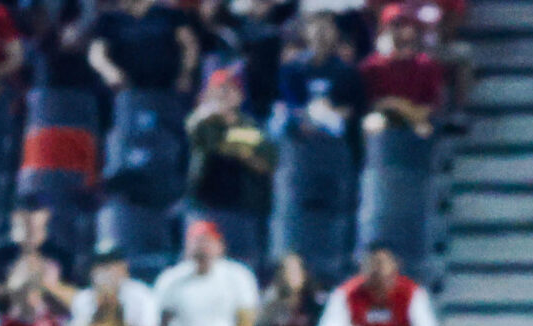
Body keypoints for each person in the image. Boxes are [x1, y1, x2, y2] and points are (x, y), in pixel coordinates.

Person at [186, 64, 277, 253]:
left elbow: (268, 162)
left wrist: (244, 155)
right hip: (207, 206)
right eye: (218, 91)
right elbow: (193, 134)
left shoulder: (251, 126)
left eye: (229, 90)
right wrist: (205, 116)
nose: (223, 95)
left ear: (239, 95)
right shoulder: (202, 123)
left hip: (244, 206)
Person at [275, 11, 364, 137]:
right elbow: (287, 102)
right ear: (306, 32)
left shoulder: (346, 71)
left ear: (335, 33)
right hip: (298, 127)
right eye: (315, 27)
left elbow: (354, 107)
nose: (320, 33)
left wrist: (331, 112)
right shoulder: (292, 69)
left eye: (326, 27)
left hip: (334, 131)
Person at [358, 12, 443, 137]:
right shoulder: (372, 66)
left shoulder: (426, 65)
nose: (400, 31)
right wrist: (394, 105)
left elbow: (431, 104)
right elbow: (370, 103)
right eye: (395, 26)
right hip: (384, 115)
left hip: (417, 117)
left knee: (424, 131)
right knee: (372, 124)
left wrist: (404, 108)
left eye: (405, 26)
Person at [89, 0, 198, 94]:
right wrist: (110, 73)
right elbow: (97, 54)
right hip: (126, 91)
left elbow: (190, 46)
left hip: (168, 89)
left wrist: (185, 74)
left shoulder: (170, 14)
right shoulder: (109, 19)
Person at [0, 203, 80, 314]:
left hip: (52, 324)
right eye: (26, 210)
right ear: (16, 216)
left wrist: (48, 285)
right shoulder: (2, 255)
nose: (30, 217)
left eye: (36, 210)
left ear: (46, 215)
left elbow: (77, 300)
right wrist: (13, 286)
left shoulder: (61, 256)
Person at [70, 244, 162, 326]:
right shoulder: (83, 298)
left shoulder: (141, 295)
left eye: (111, 265)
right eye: (101, 266)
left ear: (124, 267)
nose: (106, 271)